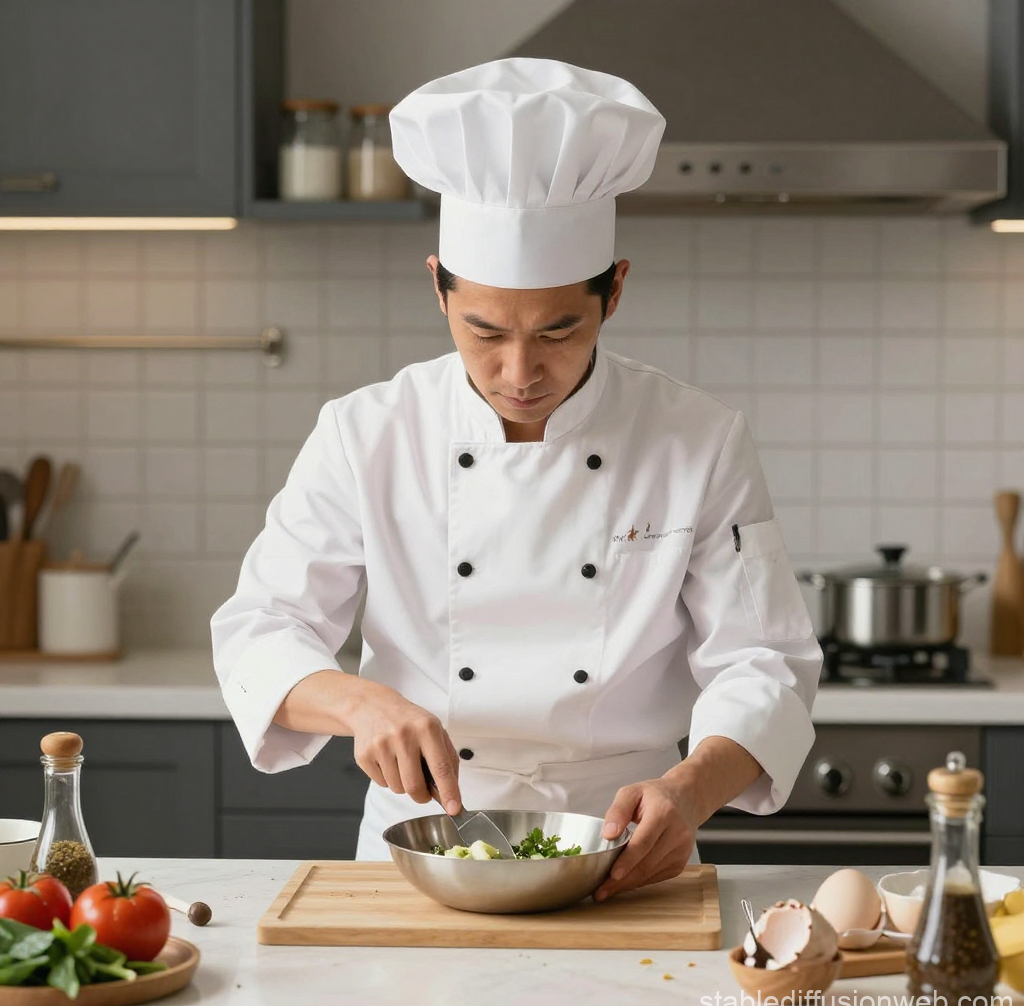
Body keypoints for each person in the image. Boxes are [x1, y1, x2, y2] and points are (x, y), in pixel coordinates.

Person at [211, 58, 822, 901]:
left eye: (559, 332)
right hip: (421, 849)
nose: (520, 371)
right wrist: (359, 705)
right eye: (486, 332)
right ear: (438, 288)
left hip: (622, 847)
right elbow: (260, 627)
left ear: (615, 292)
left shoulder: (697, 439)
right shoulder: (366, 433)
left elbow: (765, 661)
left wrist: (689, 791)